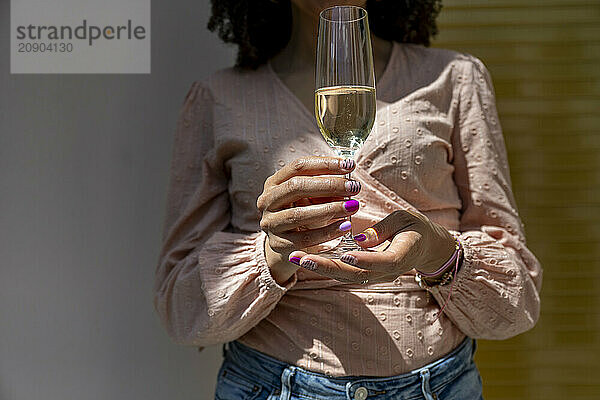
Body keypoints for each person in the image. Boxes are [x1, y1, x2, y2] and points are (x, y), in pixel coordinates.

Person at [153, 0, 543, 398]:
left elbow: (515, 304)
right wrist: (274, 253)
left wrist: (436, 252)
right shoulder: (217, 98)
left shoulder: (456, 78)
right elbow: (181, 309)